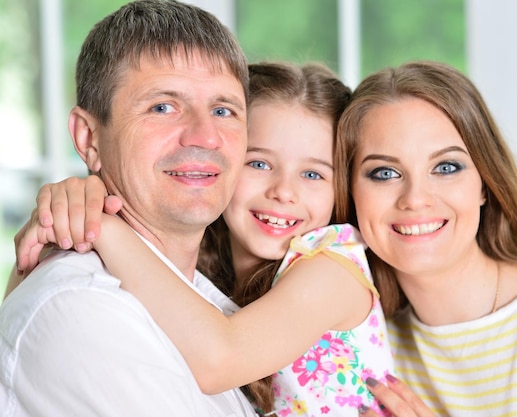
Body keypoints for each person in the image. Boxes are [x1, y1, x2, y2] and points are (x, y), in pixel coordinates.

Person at [6, 61, 397, 417]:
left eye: (313, 174)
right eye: (258, 163)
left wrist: (103, 227)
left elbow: (220, 360)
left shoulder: (334, 268)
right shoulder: (209, 281)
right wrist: (64, 223)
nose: (284, 191)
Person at [0, 0, 259, 415]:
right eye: (162, 107)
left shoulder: (216, 300)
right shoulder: (84, 310)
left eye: (223, 110)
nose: (205, 136)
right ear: (88, 138)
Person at [334, 60, 517, 415]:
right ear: (350, 193)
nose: (415, 199)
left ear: (485, 183)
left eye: (446, 167)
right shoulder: (364, 349)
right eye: (384, 172)